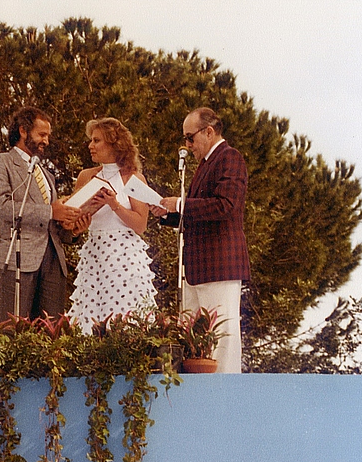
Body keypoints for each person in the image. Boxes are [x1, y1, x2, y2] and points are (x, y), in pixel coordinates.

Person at [156, 107, 250, 373]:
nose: (187, 145)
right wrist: (168, 213)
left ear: (208, 132)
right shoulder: (206, 164)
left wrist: (180, 205)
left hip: (219, 263)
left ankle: (225, 392)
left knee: (221, 335)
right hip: (198, 267)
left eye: (190, 137)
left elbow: (225, 206)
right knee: (195, 338)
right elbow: (199, 212)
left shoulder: (229, 158)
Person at [0, 106, 93, 321]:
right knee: (13, 328)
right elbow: (1, 206)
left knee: (50, 333)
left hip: (53, 261)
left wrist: (72, 229)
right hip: (18, 258)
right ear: (23, 131)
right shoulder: (0, 162)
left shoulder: (47, 175)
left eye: (47, 136)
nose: (46, 141)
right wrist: (51, 211)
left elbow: (52, 222)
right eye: (41, 134)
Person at [66, 118, 158, 331]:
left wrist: (113, 203)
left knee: (123, 319)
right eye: (91, 140)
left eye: (97, 140)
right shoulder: (86, 176)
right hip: (94, 254)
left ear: (114, 144)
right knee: (91, 321)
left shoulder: (133, 178)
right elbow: (73, 220)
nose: (91, 146)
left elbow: (140, 225)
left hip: (124, 258)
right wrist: (78, 225)